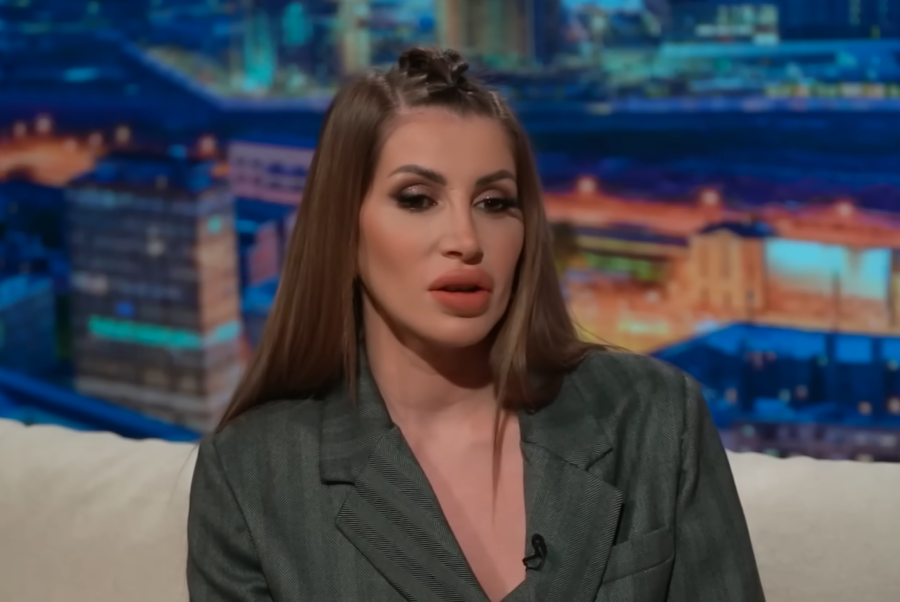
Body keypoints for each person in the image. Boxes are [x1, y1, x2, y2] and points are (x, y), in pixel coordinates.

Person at [186, 47, 766, 602]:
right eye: (417, 199)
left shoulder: (656, 417)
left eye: (494, 203)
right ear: (345, 228)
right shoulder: (252, 475)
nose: (466, 241)